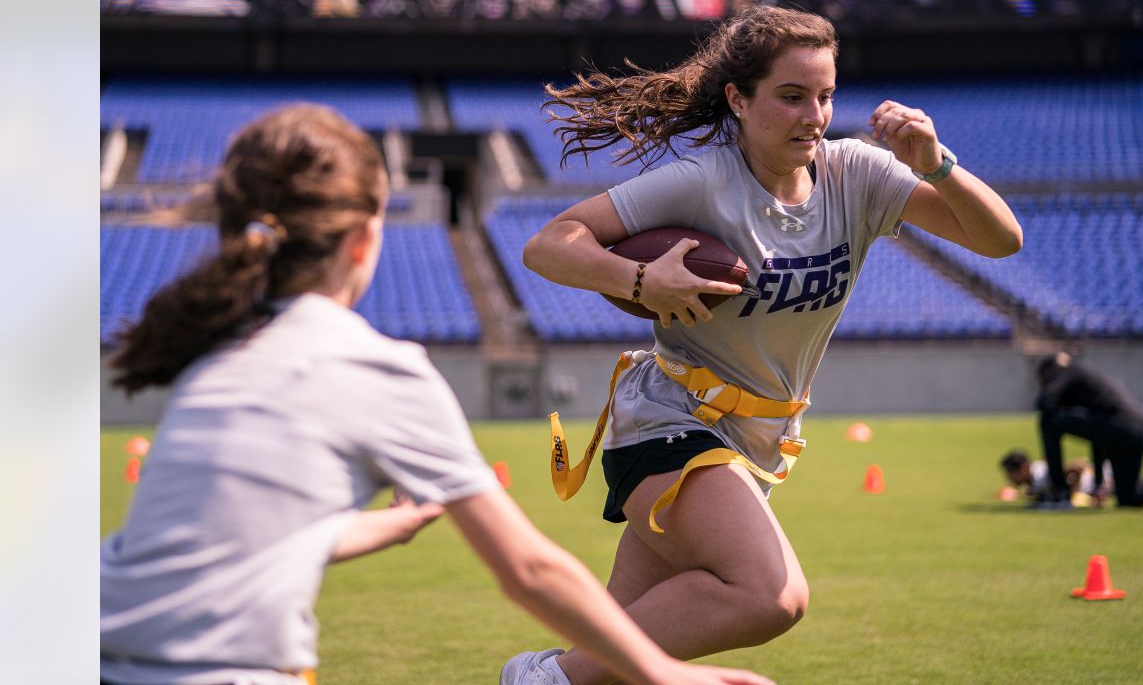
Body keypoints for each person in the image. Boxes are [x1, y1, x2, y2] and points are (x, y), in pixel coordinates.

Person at [100, 105, 773, 685]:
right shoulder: (377, 367)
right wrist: (663, 671)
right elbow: (530, 570)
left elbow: (240, 541)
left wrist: (397, 523)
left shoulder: (218, 353)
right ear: (366, 239)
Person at [513, 4, 1022, 684]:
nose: (813, 115)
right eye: (790, 97)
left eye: (824, 96)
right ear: (738, 99)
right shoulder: (703, 181)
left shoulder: (856, 176)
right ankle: (543, 676)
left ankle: (554, 677)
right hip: (669, 423)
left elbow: (1000, 240)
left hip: (756, 439)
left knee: (619, 667)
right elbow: (549, 244)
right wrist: (638, 277)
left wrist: (937, 165)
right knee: (771, 596)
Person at [1031, 351, 1143, 510]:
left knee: (1049, 421)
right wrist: (1098, 484)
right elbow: (1098, 436)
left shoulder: (1066, 370)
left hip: (1119, 426)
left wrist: (1056, 401)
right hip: (1137, 430)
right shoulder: (1087, 389)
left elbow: (1045, 402)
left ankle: (1059, 493)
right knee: (1127, 497)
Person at [999, 448, 1111, 504]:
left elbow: (1077, 467)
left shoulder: (1040, 476)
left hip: (1108, 479)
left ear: (1023, 469)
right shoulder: (1037, 473)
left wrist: (1072, 496)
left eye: (1010, 473)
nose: (1009, 478)